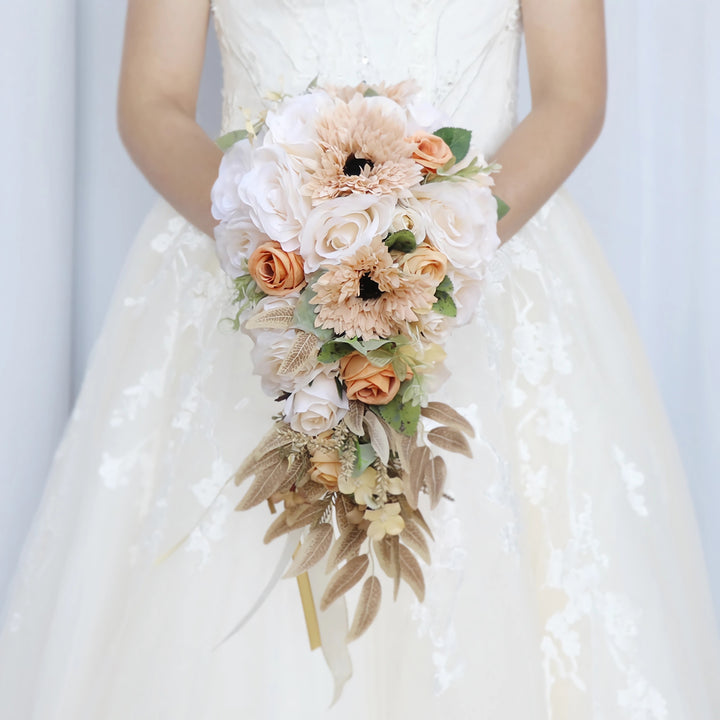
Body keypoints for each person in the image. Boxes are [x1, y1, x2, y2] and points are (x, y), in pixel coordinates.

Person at [1, 0, 719, 717]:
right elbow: (150, 100)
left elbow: (573, 96)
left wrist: (432, 259)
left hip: (489, 267)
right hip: (255, 272)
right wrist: (272, 242)